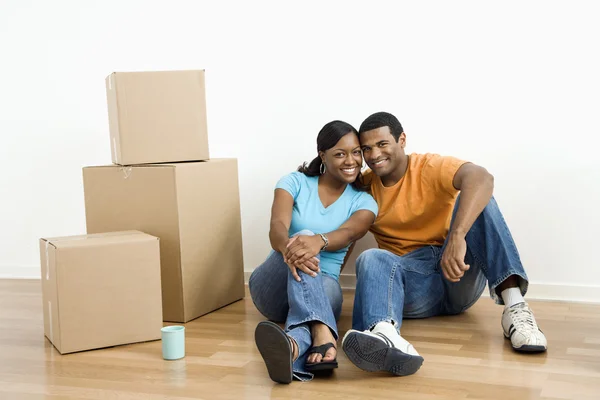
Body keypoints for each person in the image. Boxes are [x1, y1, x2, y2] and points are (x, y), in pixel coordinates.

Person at [342, 112, 548, 377]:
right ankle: (385, 334)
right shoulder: (364, 188)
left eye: (382, 144)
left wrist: (457, 236)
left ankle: (515, 309)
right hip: (414, 286)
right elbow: (345, 234)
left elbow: (482, 177)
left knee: (478, 200)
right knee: (371, 257)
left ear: (401, 140)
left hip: (458, 273)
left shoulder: (428, 167)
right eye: (367, 149)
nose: (374, 155)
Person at [249, 120, 378, 383]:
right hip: (272, 284)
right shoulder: (294, 182)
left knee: (309, 246)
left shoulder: (364, 201)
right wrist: (294, 248)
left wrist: (318, 241)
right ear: (322, 155)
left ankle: (293, 346)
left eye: (356, 152)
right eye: (340, 153)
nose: (351, 160)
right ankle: (323, 331)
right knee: (303, 237)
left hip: (324, 287)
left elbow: (349, 232)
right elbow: (277, 227)